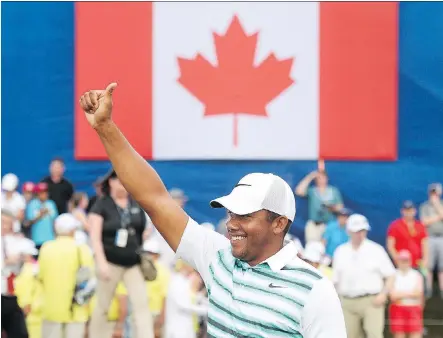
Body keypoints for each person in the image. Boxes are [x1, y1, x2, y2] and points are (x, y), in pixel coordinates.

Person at [79, 83, 346, 337]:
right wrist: (105, 127)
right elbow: (154, 199)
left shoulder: (314, 290)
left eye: (245, 215)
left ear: (279, 224)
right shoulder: (218, 258)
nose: (231, 223)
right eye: (231, 213)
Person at [87, 168, 153, 338]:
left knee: (141, 304)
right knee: (103, 305)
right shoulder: (102, 204)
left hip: (133, 262)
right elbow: (94, 237)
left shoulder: (135, 203)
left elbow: (143, 230)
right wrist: (101, 262)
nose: (123, 185)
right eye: (119, 180)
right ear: (111, 182)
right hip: (110, 261)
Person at [333, 214, 395, 338]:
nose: (360, 234)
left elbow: (391, 275)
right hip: (347, 301)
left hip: (372, 300)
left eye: (363, 231)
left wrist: (384, 294)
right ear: (349, 231)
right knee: (349, 335)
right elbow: (335, 280)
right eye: (357, 231)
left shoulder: (376, 250)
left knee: (374, 335)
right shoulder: (340, 251)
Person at [38, 213, 94, 338]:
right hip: (75, 309)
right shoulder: (82, 249)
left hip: (51, 308)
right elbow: (90, 281)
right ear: (72, 230)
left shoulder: (46, 248)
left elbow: (40, 277)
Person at [295, 166, 343, 243]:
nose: (321, 180)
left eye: (323, 177)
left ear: (327, 178)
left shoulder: (333, 191)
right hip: (314, 225)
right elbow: (299, 191)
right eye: (318, 178)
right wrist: (310, 176)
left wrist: (331, 207)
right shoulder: (312, 191)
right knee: (312, 248)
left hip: (329, 225)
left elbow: (340, 208)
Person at [1, 209, 29, 338]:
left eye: (8, 223)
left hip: (11, 295)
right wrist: (6, 261)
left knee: (20, 333)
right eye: (3, 222)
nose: (5, 226)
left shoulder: (14, 241)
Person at [164, 260, 207, 338]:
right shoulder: (177, 282)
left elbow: (190, 298)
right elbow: (183, 305)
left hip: (186, 328)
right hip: (178, 330)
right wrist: (206, 310)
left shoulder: (184, 281)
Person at [389, 250, 424, 338]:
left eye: (406, 260)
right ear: (398, 261)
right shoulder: (393, 275)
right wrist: (410, 293)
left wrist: (400, 294)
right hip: (398, 308)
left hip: (414, 308)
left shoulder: (416, 275)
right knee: (398, 334)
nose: (404, 263)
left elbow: (418, 293)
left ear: (410, 261)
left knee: (415, 334)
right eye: (402, 260)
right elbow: (392, 296)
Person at [419, 183, 443, 298]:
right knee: (428, 265)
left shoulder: (441, 205)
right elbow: (424, 222)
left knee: (442, 267)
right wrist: (438, 217)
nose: (433, 194)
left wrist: (437, 205)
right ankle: (427, 289)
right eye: (432, 192)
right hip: (429, 238)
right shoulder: (425, 206)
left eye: (436, 192)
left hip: (442, 237)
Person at [25, 183, 58, 253]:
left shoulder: (51, 203)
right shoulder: (33, 204)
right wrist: (40, 214)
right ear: (37, 194)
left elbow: (55, 220)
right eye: (42, 192)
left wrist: (56, 235)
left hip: (50, 238)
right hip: (37, 238)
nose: (44, 194)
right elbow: (29, 222)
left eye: (46, 192)